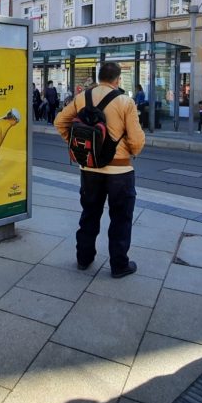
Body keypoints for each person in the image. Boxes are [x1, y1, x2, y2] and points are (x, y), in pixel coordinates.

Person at [54, 62, 145, 278]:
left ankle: (84, 259)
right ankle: (119, 265)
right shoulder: (125, 102)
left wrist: (76, 146)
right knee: (120, 219)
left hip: (89, 168)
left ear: (99, 76)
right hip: (119, 172)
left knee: (89, 214)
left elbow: (60, 122)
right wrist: (130, 151)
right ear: (117, 79)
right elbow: (137, 141)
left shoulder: (82, 98)